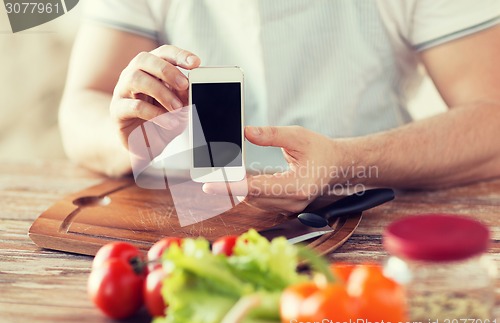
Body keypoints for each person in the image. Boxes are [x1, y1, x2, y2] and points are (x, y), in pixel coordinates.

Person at [59, 0, 500, 213]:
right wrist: (134, 144)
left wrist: (346, 161)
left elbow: (492, 118)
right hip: (185, 222)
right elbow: (81, 105)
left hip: (366, 216)